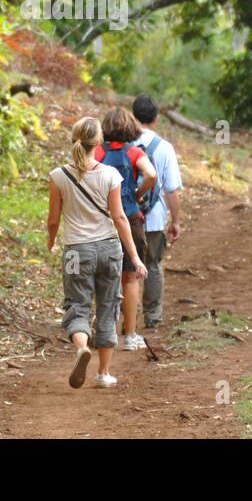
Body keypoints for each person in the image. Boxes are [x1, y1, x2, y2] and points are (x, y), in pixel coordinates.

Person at [48, 116, 148, 389]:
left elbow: (54, 219)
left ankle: (81, 347)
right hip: (109, 250)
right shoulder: (110, 175)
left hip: (74, 253)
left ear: (74, 141)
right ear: (99, 143)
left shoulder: (58, 176)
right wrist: (135, 257)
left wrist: (51, 240)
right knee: (108, 306)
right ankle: (103, 374)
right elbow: (119, 218)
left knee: (76, 304)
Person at [94, 106, 157, 352]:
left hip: (102, 218)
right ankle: (130, 336)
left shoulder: (97, 152)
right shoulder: (133, 152)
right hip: (130, 217)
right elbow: (150, 174)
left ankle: (102, 331)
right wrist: (137, 194)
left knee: (102, 277)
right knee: (130, 278)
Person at [132, 94, 184, 329]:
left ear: (133, 116)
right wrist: (176, 221)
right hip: (153, 218)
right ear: (156, 118)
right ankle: (152, 316)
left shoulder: (123, 144)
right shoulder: (164, 148)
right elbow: (171, 190)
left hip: (126, 217)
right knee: (152, 265)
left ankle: (126, 318)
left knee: (126, 268)